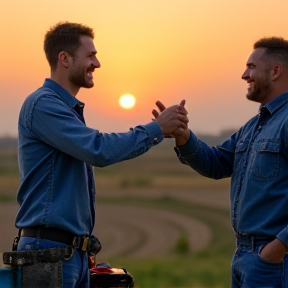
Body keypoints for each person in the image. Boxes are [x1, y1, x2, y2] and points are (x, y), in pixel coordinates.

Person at [15, 21, 188, 288]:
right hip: (48, 254)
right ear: (64, 58)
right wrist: (155, 129)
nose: (97, 64)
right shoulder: (43, 105)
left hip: (70, 255)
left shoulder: (65, 109)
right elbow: (99, 149)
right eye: (90, 55)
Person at [153, 37, 288, 287]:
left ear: (276, 71)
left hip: (275, 261)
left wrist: (278, 248)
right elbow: (216, 163)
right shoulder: (253, 126)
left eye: (251, 67)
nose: (243, 75)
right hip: (245, 257)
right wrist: (184, 136)